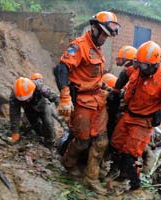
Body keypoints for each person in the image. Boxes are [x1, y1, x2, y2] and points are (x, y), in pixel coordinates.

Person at [53, 11, 120, 195]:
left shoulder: (98, 47)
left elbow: (93, 75)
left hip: (98, 100)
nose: (105, 38)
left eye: (108, 35)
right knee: (82, 142)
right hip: (82, 102)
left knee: (101, 142)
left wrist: (105, 87)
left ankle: (91, 178)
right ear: (95, 28)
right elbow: (61, 68)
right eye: (104, 34)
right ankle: (68, 163)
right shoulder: (79, 46)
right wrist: (65, 96)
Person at [110, 41, 161, 190]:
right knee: (115, 145)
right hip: (128, 115)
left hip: (143, 122)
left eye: (144, 66)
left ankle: (134, 184)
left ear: (155, 65)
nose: (140, 69)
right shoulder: (138, 68)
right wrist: (116, 92)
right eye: (139, 64)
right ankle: (121, 173)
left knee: (129, 156)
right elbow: (125, 73)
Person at [8, 77, 59, 147]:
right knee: (35, 124)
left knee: (48, 122)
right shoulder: (14, 97)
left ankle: (50, 142)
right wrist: (15, 133)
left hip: (42, 105)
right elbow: (14, 114)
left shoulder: (39, 87)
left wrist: (61, 106)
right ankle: (40, 136)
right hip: (28, 108)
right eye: (25, 99)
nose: (27, 100)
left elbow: (54, 96)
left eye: (29, 97)